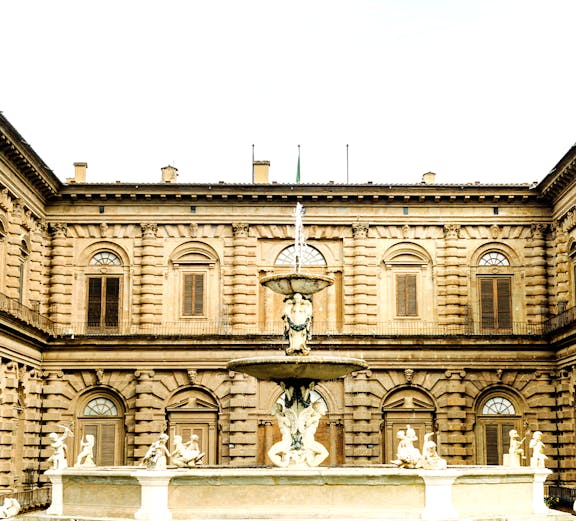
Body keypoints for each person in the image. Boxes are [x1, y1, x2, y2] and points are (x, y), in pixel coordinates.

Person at [268, 403, 295, 467]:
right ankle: (286, 459)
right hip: (286, 440)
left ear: (277, 409)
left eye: (273, 408)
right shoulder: (282, 418)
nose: (272, 411)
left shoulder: (282, 418)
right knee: (270, 453)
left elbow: (289, 425)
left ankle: (284, 464)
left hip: (286, 441)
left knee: (270, 453)